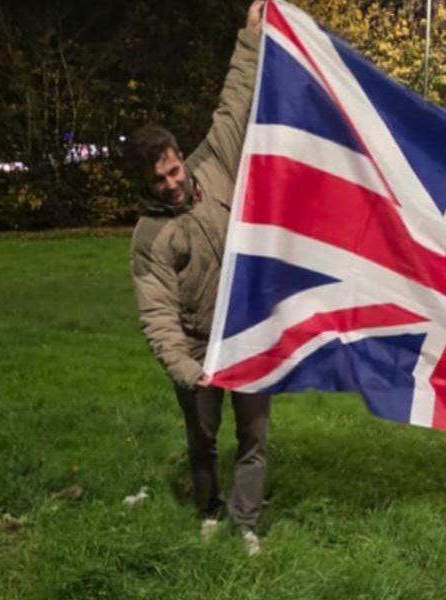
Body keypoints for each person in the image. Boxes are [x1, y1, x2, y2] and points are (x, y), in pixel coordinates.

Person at [125, 1, 267, 556]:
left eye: (174, 168)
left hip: (250, 334)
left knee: (254, 439)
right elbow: (156, 317)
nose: (171, 183)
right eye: (158, 179)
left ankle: (246, 523)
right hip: (199, 352)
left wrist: (251, 36)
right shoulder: (148, 239)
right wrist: (191, 373)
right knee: (203, 443)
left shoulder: (214, 164)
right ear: (144, 182)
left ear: (182, 158)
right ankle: (209, 512)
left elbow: (234, 103)